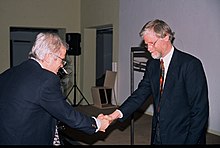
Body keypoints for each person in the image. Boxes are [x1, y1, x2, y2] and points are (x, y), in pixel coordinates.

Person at [104, 19, 209, 144]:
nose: (148, 48)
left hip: (182, 136)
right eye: (146, 44)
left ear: (166, 37)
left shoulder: (190, 65)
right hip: (158, 134)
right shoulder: (153, 65)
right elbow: (140, 95)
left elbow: (200, 111)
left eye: (152, 43)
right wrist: (113, 116)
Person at [0, 32, 110, 145]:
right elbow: (67, 114)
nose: (62, 65)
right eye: (61, 59)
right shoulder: (47, 79)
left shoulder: (9, 72)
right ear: (48, 57)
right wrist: (97, 124)